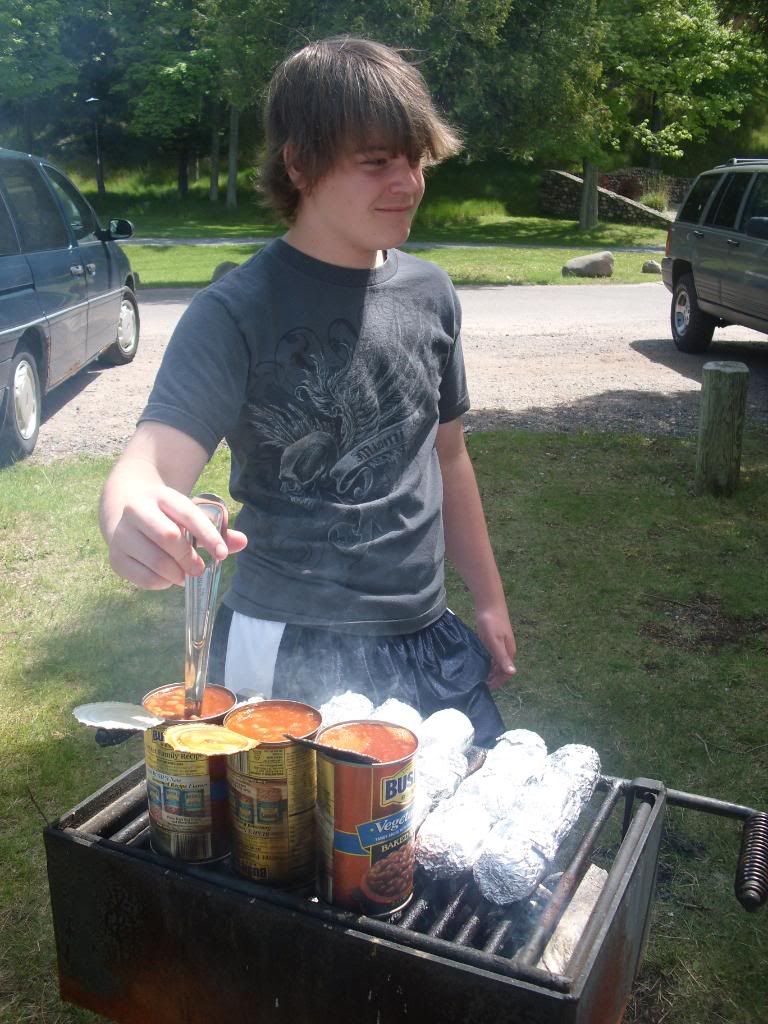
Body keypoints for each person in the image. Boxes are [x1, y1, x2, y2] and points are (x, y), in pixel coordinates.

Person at [99, 36, 516, 744]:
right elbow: (151, 462)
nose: (408, 182)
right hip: (286, 644)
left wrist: (488, 599)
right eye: (376, 161)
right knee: (292, 846)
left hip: (422, 630)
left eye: (414, 159)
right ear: (299, 164)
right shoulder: (238, 309)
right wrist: (130, 516)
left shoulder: (432, 294)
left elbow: (448, 457)